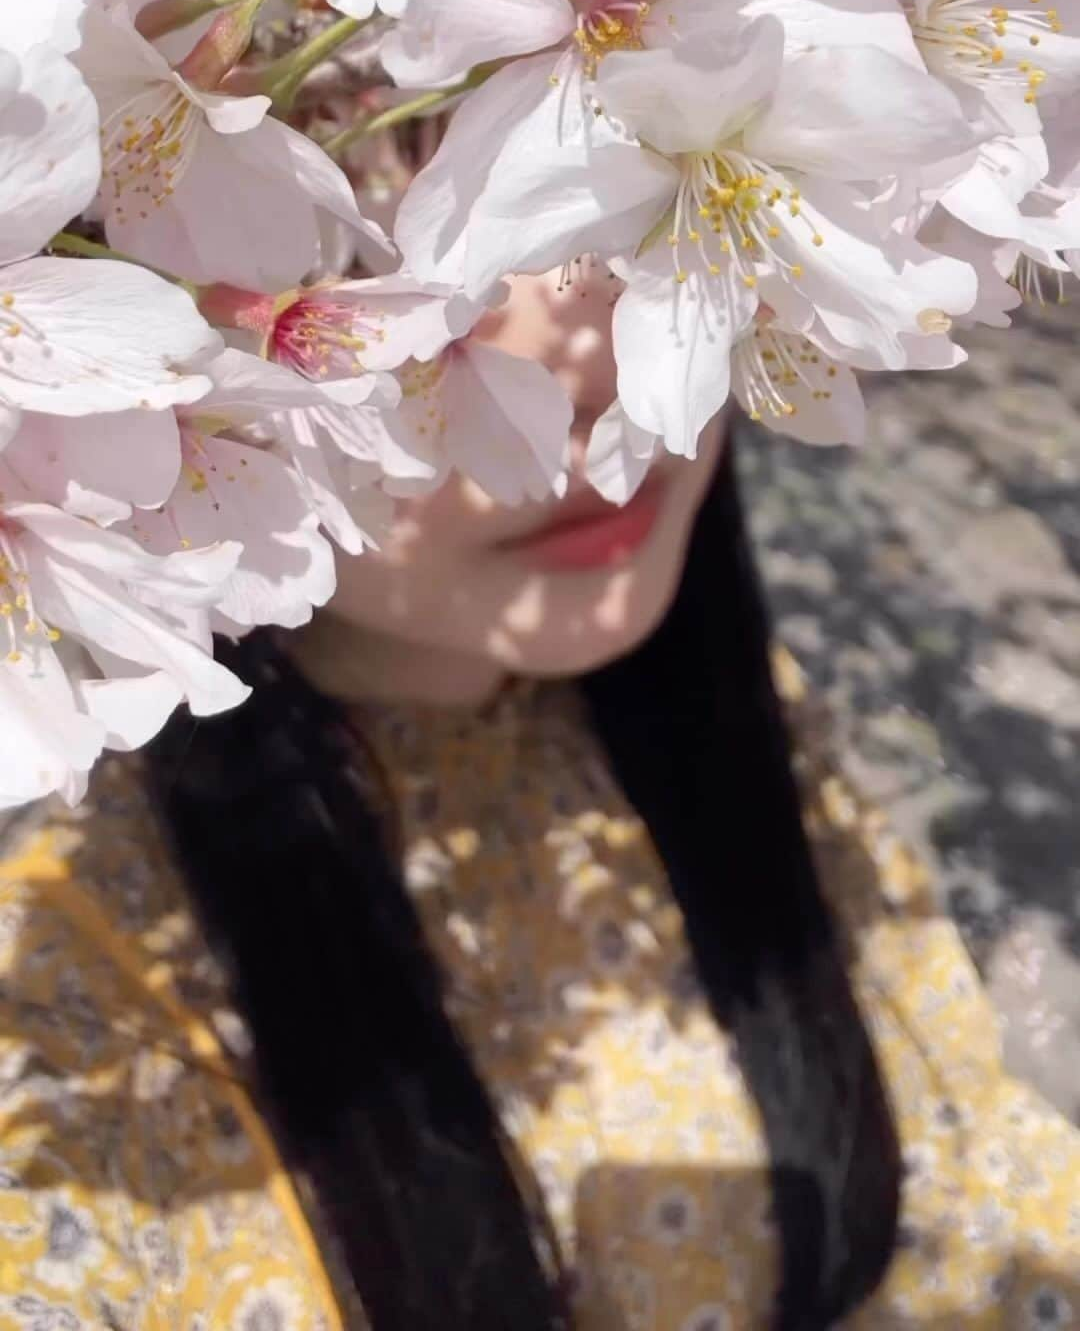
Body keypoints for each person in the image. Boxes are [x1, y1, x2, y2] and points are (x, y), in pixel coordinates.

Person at [2, 0, 1080, 1331]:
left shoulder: (748, 731)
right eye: (415, 240)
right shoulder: (73, 985)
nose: (583, 356)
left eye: (633, 225)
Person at [1, 258, 1080, 1330]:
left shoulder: (732, 713)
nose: (603, 369)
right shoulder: (70, 1031)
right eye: (377, 264)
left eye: (630, 229)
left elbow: (971, 1160)